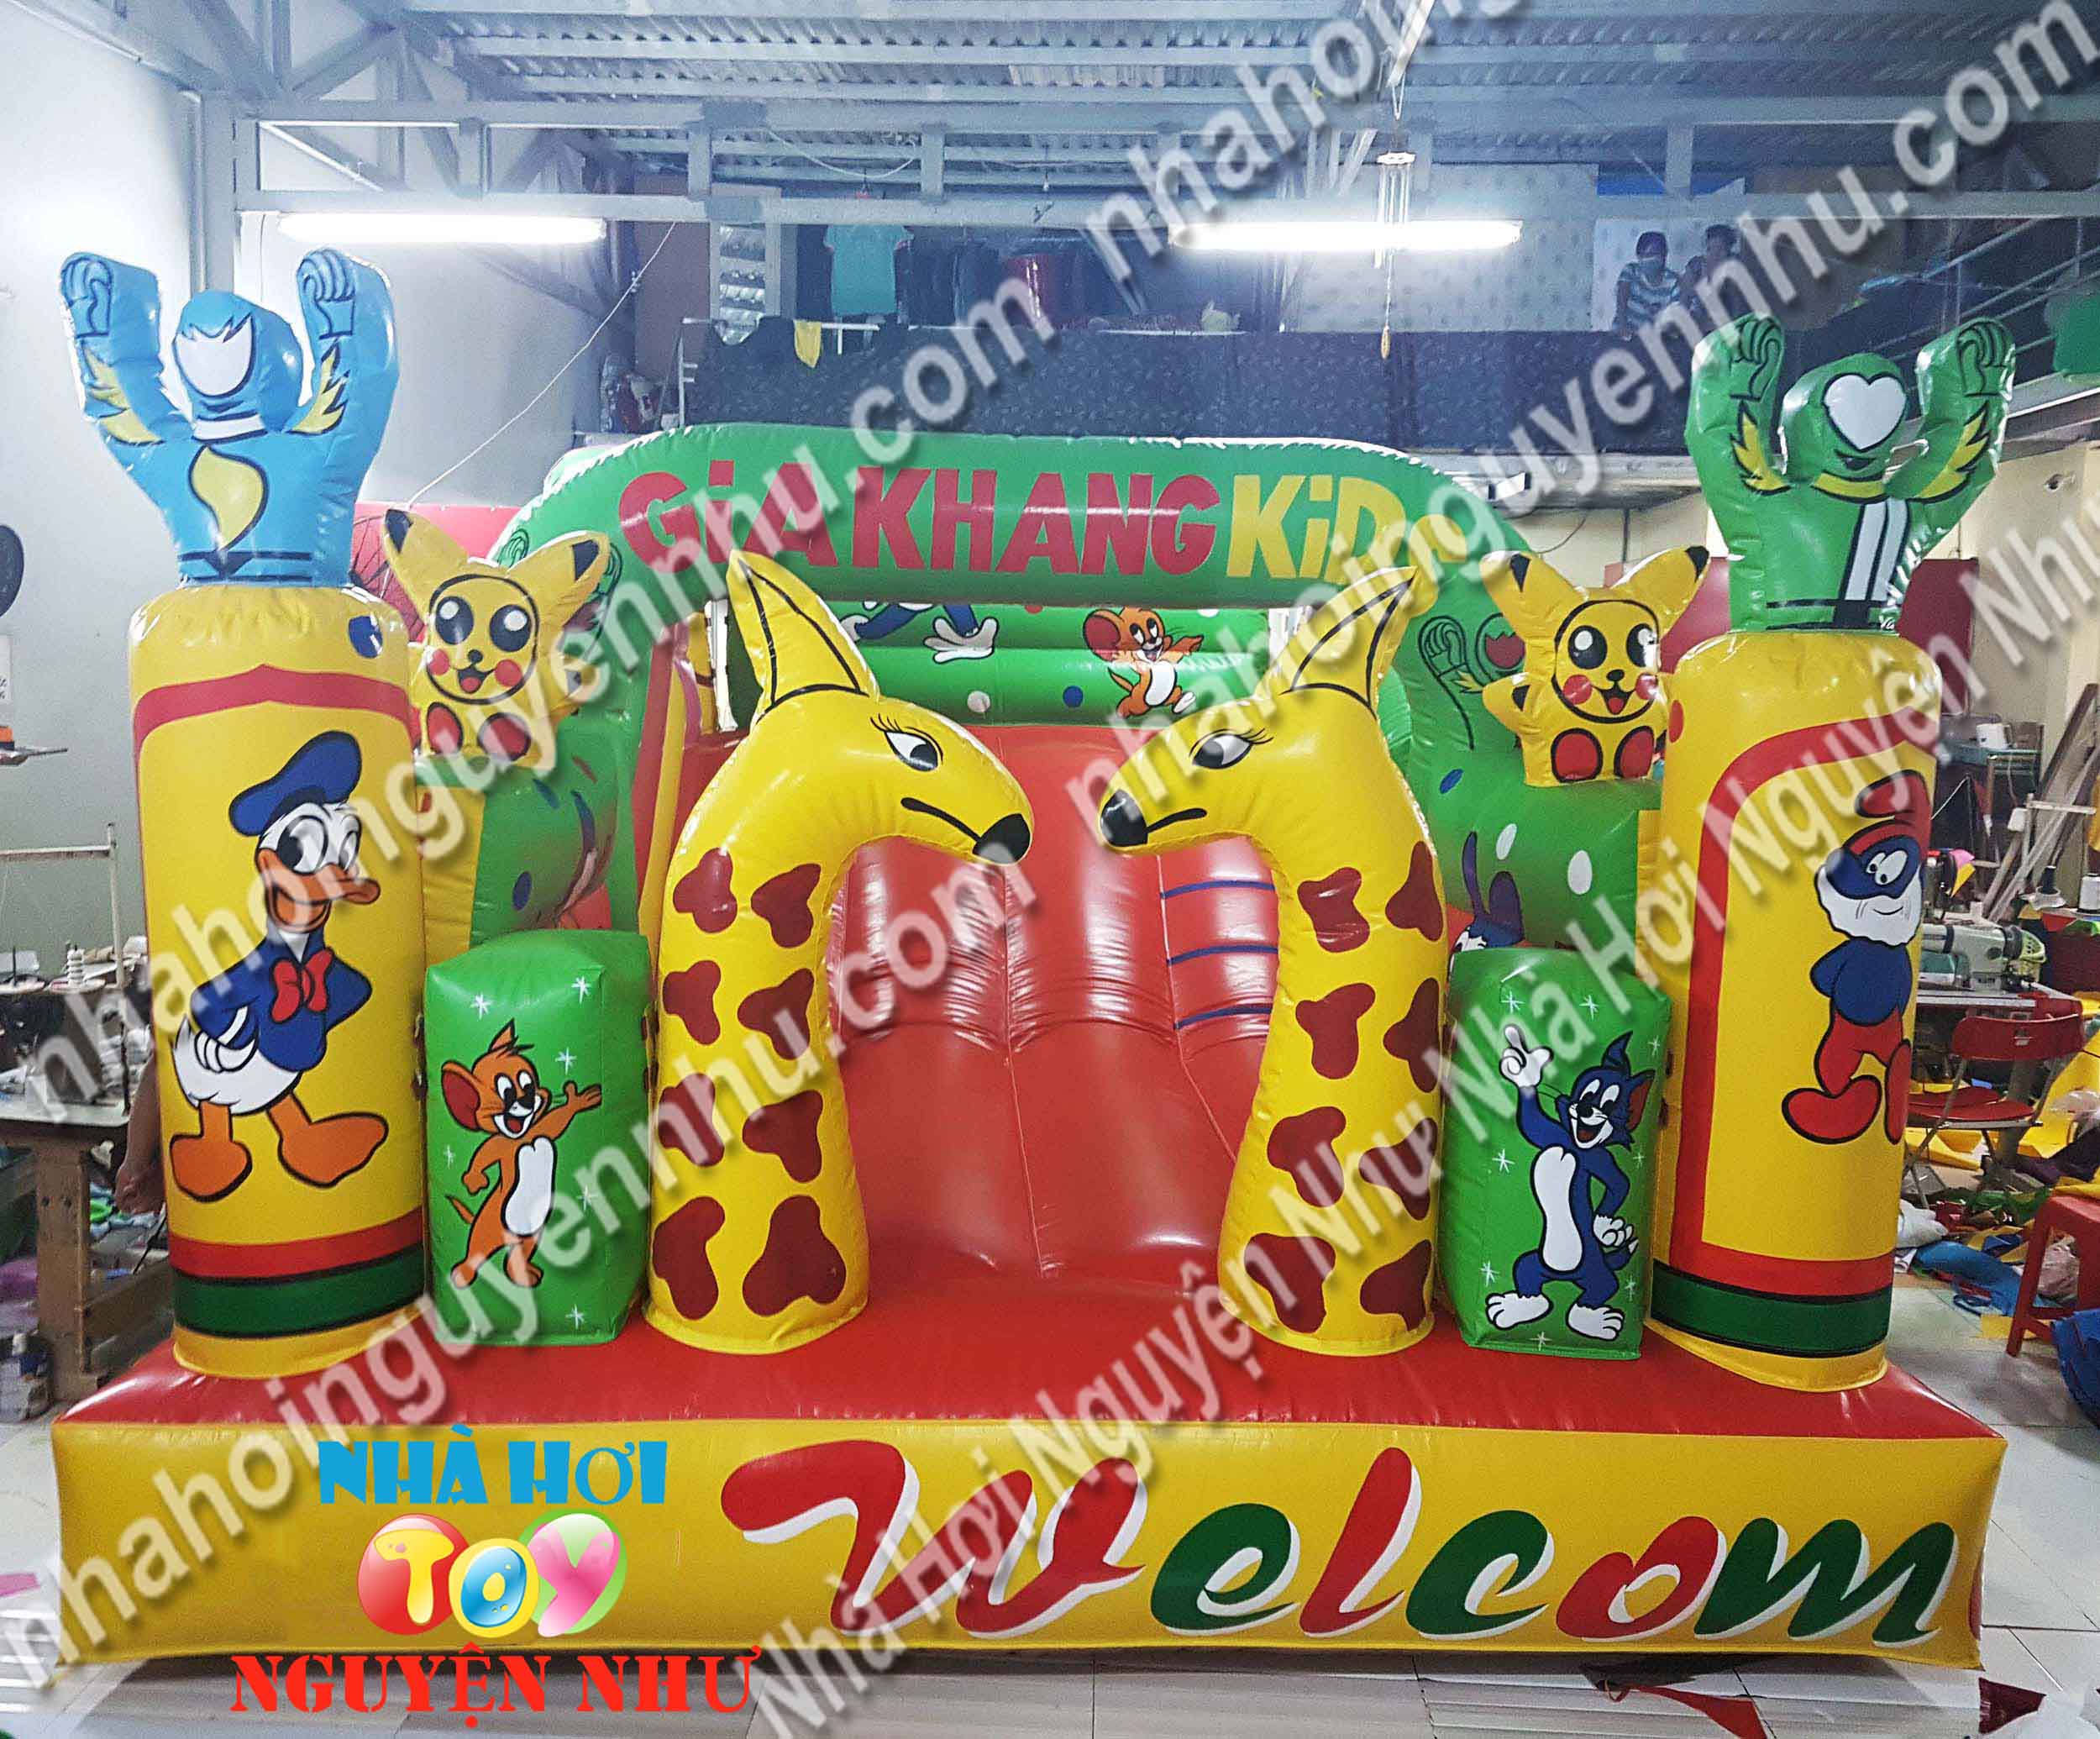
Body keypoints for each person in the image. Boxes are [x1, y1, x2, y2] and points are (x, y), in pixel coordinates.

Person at [1677, 223, 1749, 325]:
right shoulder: (1696, 266)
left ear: (1729, 249)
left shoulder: (1736, 266)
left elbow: (1738, 308)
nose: (1715, 254)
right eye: (1710, 249)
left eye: (1721, 249)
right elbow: (1685, 298)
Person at [1613, 231, 1678, 336]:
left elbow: (1672, 322)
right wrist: (1622, 326)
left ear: (1664, 255)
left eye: (1654, 254)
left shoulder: (1673, 281)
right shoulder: (1631, 271)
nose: (1649, 259)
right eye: (1645, 255)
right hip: (1623, 333)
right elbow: (1621, 300)